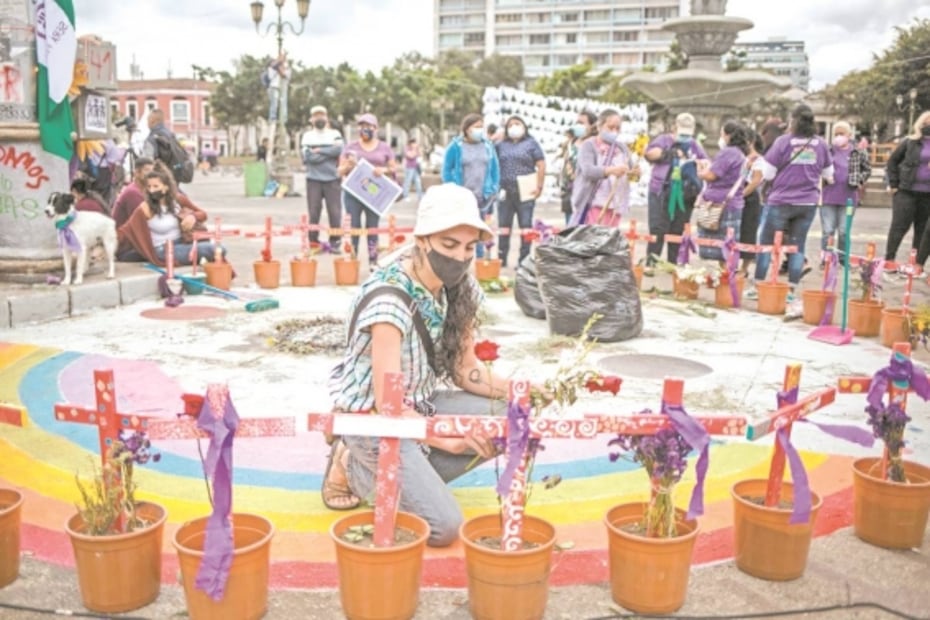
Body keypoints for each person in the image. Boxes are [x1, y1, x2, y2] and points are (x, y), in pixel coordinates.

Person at [323, 183, 512, 546]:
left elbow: (465, 370)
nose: (459, 257)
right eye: (449, 245)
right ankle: (350, 464)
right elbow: (388, 405)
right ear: (423, 240)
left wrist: (524, 391)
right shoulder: (389, 302)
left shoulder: (458, 287)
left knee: (510, 418)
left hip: (421, 405)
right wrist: (450, 442)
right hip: (377, 419)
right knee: (443, 528)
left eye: (469, 247)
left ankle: (410, 478)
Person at [746, 104, 834, 305]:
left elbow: (767, 174)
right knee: (797, 245)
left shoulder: (782, 142)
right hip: (808, 202)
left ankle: (757, 285)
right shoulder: (820, 144)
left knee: (767, 244)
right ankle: (791, 290)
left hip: (781, 200)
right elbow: (829, 175)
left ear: (792, 121)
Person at [117, 164, 222, 266]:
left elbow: (203, 214)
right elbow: (125, 231)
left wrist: (193, 216)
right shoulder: (145, 208)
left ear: (166, 187)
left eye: (155, 186)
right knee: (215, 250)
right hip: (162, 250)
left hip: (182, 243)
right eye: (148, 187)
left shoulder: (178, 199)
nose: (151, 190)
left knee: (219, 249)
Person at [643, 112, 709, 271]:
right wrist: (668, 153)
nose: (685, 137)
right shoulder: (664, 140)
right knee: (658, 228)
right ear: (674, 128)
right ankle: (651, 263)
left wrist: (698, 163)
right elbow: (649, 153)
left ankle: (673, 264)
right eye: (682, 133)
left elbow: (706, 162)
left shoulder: (694, 145)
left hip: (685, 194)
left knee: (677, 229)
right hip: (662, 190)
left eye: (688, 133)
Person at [338, 113, 397, 261]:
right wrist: (347, 165)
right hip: (354, 193)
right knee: (354, 227)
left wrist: (384, 170)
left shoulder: (384, 147)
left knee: (372, 227)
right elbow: (339, 170)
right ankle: (352, 259)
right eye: (362, 126)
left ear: (375, 128)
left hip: (374, 193)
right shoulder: (351, 147)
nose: (365, 129)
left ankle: (373, 260)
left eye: (369, 126)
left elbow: (393, 167)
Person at [441, 113, 500, 258]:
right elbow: (446, 170)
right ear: (467, 129)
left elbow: (495, 169)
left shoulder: (487, 146)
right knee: (460, 230)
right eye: (476, 127)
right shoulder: (456, 146)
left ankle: (479, 260)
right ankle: (458, 259)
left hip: (482, 197)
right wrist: (452, 188)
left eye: (482, 127)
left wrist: (494, 187)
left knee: (479, 230)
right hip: (462, 198)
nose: (480, 130)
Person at [495, 115, 546, 267]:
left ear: (524, 126)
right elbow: (492, 163)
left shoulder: (531, 144)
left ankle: (523, 260)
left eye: (517, 124)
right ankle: (501, 259)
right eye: (510, 125)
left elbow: (541, 165)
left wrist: (539, 186)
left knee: (525, 226)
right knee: (504, 227)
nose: (514, 127)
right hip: (505, 190)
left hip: (526, 190)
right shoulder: (500, 145)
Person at [696, 121, 749, 262]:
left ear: (728, 136)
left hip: (720, 206)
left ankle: (717, 278)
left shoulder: (728, 153)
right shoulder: (741, 154)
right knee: (729, 247)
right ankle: (725, 276)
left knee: (716, 247)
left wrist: (701, 171)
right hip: (734, 203)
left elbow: (711, 175)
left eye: (721, 134)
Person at [570, 108, 633, 228]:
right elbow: (588, 171)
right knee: (592, 241)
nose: (614, 131)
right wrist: (611, 171)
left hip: (615, 204)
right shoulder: (588, 145)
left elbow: (630, 170)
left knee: (608, 242)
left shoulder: (622, 148)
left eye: (618, 128)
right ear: (599, 126)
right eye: (610, 127)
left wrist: (634, 173)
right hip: (595, 203)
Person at [821, 120, 871, 261]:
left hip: (849, 197)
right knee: (828, 231)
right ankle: (826, 259)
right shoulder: (828, 151)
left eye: (841, 133)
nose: (838, 136)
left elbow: (867, 170)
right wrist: (824, 178)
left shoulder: (858, 152)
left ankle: (842, 259)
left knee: (844, 231)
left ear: (849, 135)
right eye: (836, 134)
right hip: (828, 196)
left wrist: (858, 180)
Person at [885, 111, 930, 266]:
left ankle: (916, 263)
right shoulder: (910, 142)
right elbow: (892, 162)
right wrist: (893, 184)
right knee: (899, 226)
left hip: (927, 194)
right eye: (926, 123)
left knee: (923, 230)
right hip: (906, 191)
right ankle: (889, 259)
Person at [300, 105, 344, 251]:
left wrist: (319, 150)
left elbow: (338, 149)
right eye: (316, 115)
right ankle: (313, 242)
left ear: (327, 117)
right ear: (311, 119)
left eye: (322, 115)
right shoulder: (307, 136)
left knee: (335, 213)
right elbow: (308, 157)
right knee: (313, 212)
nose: (319, 118)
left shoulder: (334, 133)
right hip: (313, 180)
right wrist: (328, 153)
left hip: (332, 179)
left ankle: (335, 241)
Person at [559, 110, 597, 225]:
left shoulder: (594, 145)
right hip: (569, 193)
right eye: (577, 122)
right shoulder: (570, 144)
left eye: (582, 123)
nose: (578, 126)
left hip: (586, 194)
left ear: (592, 126)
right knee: (569, 230)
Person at [739, 130, 766, 277]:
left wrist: (741, 195)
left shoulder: (759, 160)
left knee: (748, 231)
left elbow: (756, 181)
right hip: (737, 195)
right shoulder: (741, 157)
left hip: (750, 199)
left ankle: (744, 268)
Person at [111, 156, 155, 231]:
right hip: (124, 237)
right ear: (137, 173)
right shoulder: (133, 193)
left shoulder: (144, 189)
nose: (151, 174)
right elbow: (142, 221)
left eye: (153, 171)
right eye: (147, 170)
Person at [266, 52, 291, 124]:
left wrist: (283, 59)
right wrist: (282, 57)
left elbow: (284, 75)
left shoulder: (286, 68)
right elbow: (276, 65)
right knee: (274, 103)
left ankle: (284, 118)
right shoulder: (271, 68)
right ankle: (272, 118)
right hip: (274, 87)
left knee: (283, 103)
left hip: (283, 88)